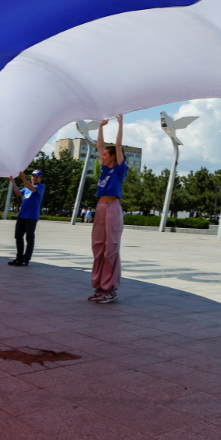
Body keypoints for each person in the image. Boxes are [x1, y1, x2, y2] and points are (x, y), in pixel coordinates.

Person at [89, 115, 127, 304]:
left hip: (112, 208)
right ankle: (98, 286)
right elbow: (99, 145)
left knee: (110, 249)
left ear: (113, 157)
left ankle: (110, 289)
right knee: (98, 247)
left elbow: (118, 146)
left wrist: (120, 124)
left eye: (105, 154)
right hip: (101, 207)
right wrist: (101, 127)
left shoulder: (119, 169)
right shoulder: (104, 169)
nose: (102, 156)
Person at [8, 170, 44, 266]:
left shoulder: (40, 187)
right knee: (18, 236)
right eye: (33, 176)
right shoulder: (26, 188)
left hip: (31, 217)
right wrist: (13, 181)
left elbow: (31, 188)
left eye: (37, 176)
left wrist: (22, 177)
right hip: (22, 216)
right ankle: (19, 258)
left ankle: (26, 258)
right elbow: (18, 193)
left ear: (40, 178)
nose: (34, 178)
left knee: (29, 238)